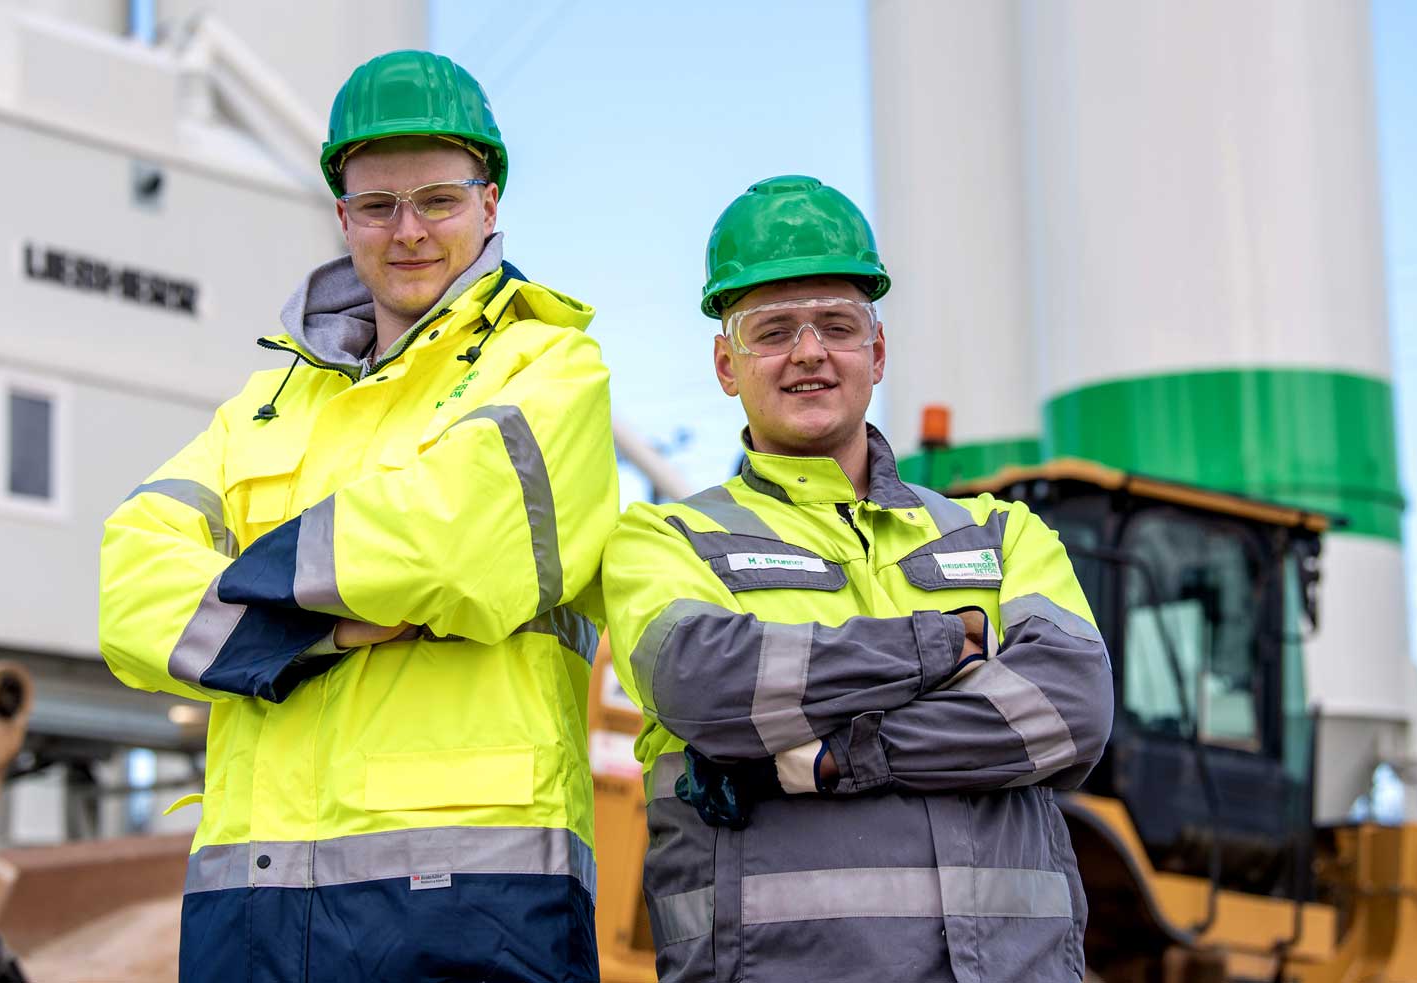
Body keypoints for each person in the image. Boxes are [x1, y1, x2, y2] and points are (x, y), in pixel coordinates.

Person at [99, 50, 615, 983]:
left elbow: (458, 544)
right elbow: (129, 588)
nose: (407, 231)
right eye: (377, 206)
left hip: (472, 904)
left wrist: (243, 601)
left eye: (439, 200)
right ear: (343, 218)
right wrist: (329, 626)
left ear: (489, 205)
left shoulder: (550, 368)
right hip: (247, 908)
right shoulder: (262, 406)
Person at [603, 175, 1114, 982]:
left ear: (876, 352)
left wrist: (844, 757)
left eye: (837, 326)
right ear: (726, 365)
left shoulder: (998, 531)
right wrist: (951, 644)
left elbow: (1069, 707)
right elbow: (706, 683)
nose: (809, 352)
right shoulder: (667, 538)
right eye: (772, 330)